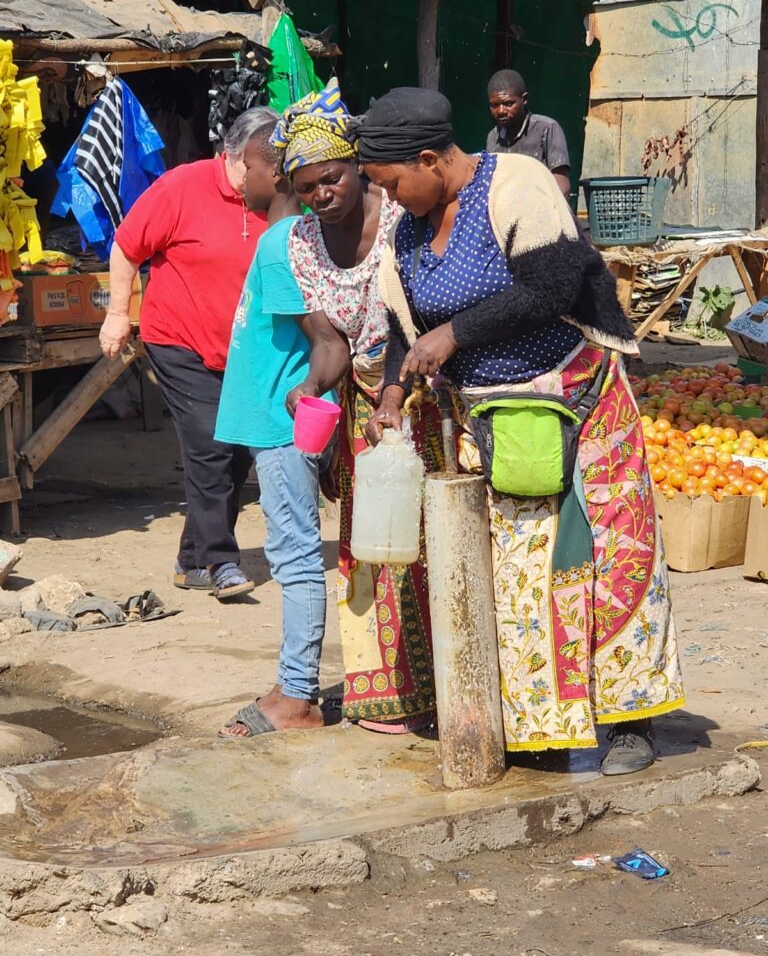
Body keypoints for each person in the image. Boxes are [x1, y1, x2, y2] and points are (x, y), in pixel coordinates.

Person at [354, 87, 684, 775]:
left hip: (582, 403)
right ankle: (545, 729)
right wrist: (391, 391)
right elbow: (401, 328)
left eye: (391, 184)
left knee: (611, 560)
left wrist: (457, 332)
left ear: (428, 159)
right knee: (526, 577)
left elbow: (554, 287)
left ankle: (631, 722)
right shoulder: (410, 231)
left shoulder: (515, 182)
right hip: (494, 422)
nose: (388, 200)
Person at [265, 81, 441, 734]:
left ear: (355, 166)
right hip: (363, 412)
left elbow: (412, 319)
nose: (321, 194)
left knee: (430, 544)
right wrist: (312, 388)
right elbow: (330, 340)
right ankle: (386, 695)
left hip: (423, 397)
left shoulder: (401, 215)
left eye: (331, 179)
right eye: (307, 186)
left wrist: (395, 392)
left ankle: (443, 686)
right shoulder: (301, 243)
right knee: (369, 548)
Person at [100, 109, 276, 601]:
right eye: (261, 166)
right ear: (236, 157)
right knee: (209, 442)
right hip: (179, 338)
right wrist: (118, 312)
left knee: (237, 453)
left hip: (242, 348)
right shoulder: (183, 185)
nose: (270, 176)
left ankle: (190, 559)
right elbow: (126, 246)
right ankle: (220, 560)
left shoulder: (274, 195)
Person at [215, 111, 348, 736]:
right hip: (272, 419)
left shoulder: (282, 243)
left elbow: (325, 338)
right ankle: (291, 683)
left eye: (245, 163)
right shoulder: (285, 238)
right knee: (291, 550)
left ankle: (297, 695)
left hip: (281, 422)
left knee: (293, 556)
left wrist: (310, 392)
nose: (238, 175)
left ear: (272, 170)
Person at [486, 68, 571, 199]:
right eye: (494, 105)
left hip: (545, 210)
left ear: (524, 99)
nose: (501, 111)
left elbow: (562, 185)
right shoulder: (493, 137)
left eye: (508, 103)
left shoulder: (547, 128)